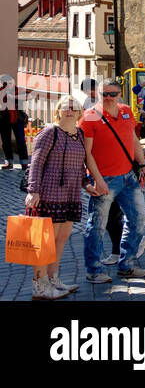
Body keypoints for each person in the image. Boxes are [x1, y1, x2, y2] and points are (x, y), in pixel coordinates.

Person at [25, 94, 99, 300]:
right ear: (58, 110)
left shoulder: (80, 134)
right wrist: (33, 190)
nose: (69, 110)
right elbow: (36, 163)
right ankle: (39, 286)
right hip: (49, 193)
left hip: (71, 194)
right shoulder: (49, 132)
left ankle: (53, 279)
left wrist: (86, 184)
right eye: (65, 107)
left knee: (61, 239)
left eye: (73, 108)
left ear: (79, 113)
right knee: (45, 242)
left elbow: (80, 164)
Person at [80, 79, 145, 282]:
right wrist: (97, 179)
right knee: (97, 226)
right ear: (97, 94)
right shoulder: (89, 117)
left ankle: (126, 265)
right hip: (105, 179)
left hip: (129, 176)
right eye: (104, 94)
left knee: (138, 219)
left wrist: (143, 165)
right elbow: (87, 153)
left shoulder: (126, 111)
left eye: (112, 94)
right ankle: (94, 270)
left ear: (120, 94)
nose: (108, 98)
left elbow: (133, 140)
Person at [0, 74, 31, 172]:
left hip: (17, 118)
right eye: (7, 83)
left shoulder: (19, 90)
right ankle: (9, 162)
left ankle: (24, 163)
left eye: (11, 82)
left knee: (21, 140)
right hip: (3, 118)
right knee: (6, 141)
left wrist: (14, 96)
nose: (9, 85)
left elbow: (29, 96)